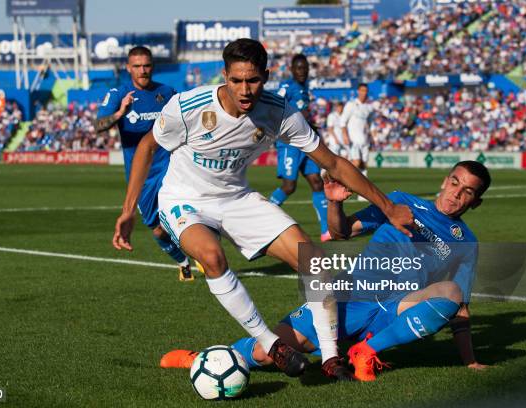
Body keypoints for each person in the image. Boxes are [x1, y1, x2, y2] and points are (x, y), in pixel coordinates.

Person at [112, 39, 413, 381]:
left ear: (266, 76)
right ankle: (271, 344)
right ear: (224, 75)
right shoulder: (188, 106)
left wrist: (388, 207)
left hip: (237, 198)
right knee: (211, 257)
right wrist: (128, 210)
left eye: (253, 80)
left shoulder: (279, 112)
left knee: (313, 259)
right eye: (236, 80)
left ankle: (331, 357)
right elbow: (147, 147)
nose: (245, 90)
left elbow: (332, 162)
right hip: (184, 198)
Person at [161, 161, 490, 382]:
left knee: (451, 292)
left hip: (395, 309)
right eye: (454, 183)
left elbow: (461, 308)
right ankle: (202, 360)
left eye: (467, 192)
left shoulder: (467, 242)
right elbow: (343, 231)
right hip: (350, 297)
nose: (456, 194)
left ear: (475, 203)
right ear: (444, 180)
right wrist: (335, 204)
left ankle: (366, 352)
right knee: (268, 352)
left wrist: (469, 361)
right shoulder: (401, 204)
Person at [95, 46, 194, 281]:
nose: (143, 70)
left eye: (147, 65)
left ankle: (202, 250)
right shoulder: (118, 93)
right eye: (137, 66)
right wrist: (120, 113)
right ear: (129, 68)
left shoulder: (167, 92)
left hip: (171, 166)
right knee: (158, 229)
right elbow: (98, 125)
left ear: (153, 66)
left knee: (188, 215)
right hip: (141, 176)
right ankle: (184, 261)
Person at [268, 54, 332, 242]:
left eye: (305, 68)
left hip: (305, 142)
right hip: (289, 143)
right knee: (289, 186)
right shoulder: (287, 87)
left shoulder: (305, 88)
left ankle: (326, 232)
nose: (302, 71)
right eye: (298, 68)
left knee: (317, 182)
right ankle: (261, 220)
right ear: (292, 70)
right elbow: (275, 107)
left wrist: (308, 124)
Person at [341, 83, 374, 200]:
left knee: (364, 165)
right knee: (356, 163)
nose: (364, 93)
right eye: (362, 90)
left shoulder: (369, 108)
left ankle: (362, 194)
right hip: (354, 140)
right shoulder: (351, 105)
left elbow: (370, 124)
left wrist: (372, 138)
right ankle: (343, 184)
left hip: (364, 140)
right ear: (358, 91)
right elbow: (343, 122)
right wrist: (345, 136)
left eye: (365, 90)